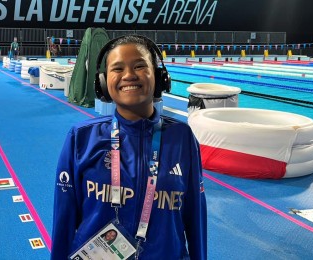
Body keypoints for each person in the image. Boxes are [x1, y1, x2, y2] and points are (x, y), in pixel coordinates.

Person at [51, 35, 207, 259]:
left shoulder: (182, 138)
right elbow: (63, 222)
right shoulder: (82, 138)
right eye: (117, 68)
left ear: (159, 77)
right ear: (103, 82)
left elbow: (196, 217)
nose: (129, 75)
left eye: (140, 66)